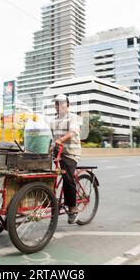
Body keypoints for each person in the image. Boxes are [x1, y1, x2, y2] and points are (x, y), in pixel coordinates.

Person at [49, 94, 81, 224]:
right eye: (56, 104)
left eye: (61, 103)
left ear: (68, 105)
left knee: (67, 177)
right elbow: (50, 137)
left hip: (70, 154)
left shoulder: (73, 117)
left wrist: (60, 140)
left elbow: (72, 132)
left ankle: (73, 209)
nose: (58, 106)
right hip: (58, 153)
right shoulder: (53, 120)